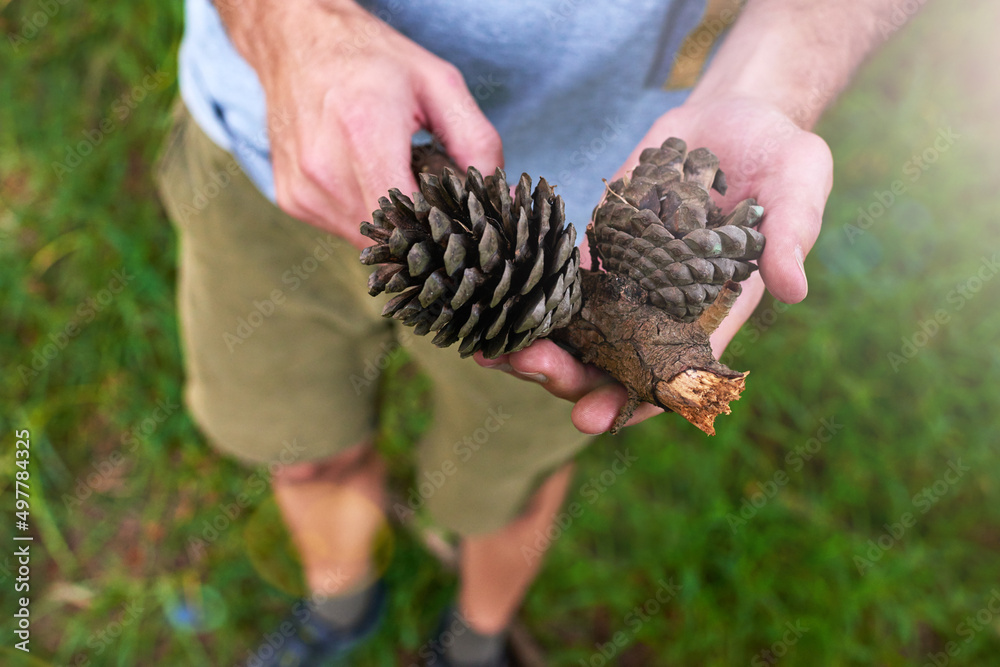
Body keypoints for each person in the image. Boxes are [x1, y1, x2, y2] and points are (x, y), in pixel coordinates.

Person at [155, 0, 913, 664]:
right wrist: (286, 21)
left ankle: (474, 641)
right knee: (304, 452)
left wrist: (770, 85)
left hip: (580, 222)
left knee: (506, 492)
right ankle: (342, 602)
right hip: (263, 135)